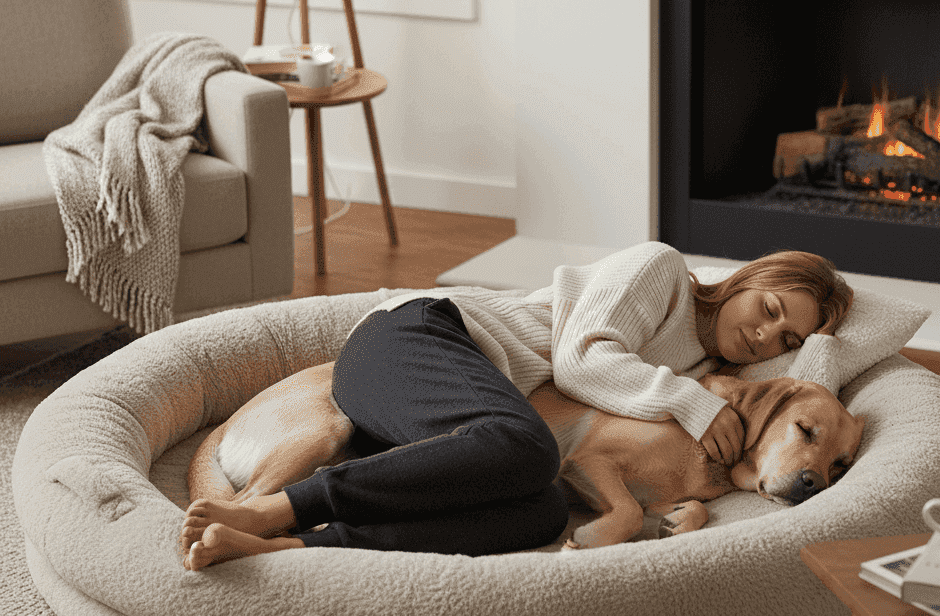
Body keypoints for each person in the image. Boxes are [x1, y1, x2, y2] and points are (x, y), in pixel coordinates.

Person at [181, 241, 853, 567]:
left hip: (453, 420)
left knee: (541, 511)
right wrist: (698, 406)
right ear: (746, 280)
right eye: (768, 308)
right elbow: (581, 360)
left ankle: (296, 547)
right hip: (418, 336)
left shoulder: (711, 375)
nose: (766, 335)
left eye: (785, 338)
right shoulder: (663, 273)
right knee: (527, 447)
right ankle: (275, 506)